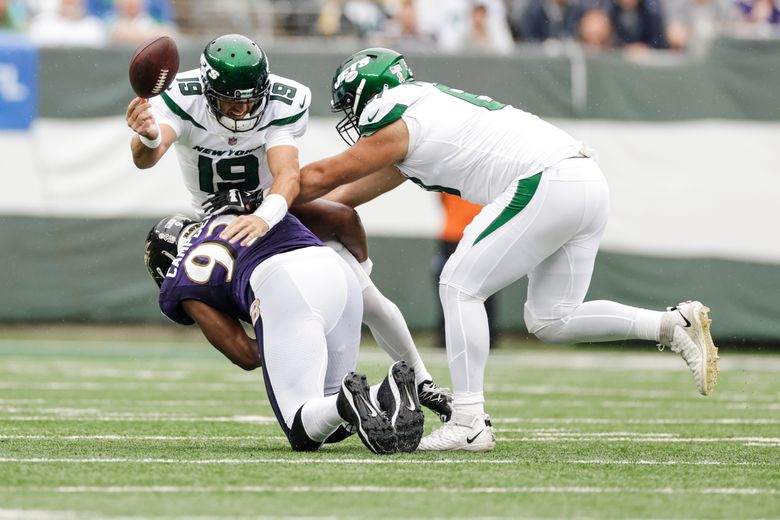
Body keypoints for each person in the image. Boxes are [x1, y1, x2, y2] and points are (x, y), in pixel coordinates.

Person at [297, 47, 720, 452]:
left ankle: (468, 423)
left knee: (460, 286)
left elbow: (321, 174)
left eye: (351, 106)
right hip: (585, 181)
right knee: (551, 319)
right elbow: (349, 191)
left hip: (547, 180)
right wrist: (301, 211)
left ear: (369, 95)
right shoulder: (422, 113)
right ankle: (670, 325)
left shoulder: (397, 112)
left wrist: (269, 201)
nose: (354, 119)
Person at [125, 34, 452, 422]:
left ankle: (421, 379)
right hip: (217, 219)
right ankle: (334, 395)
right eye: (232, 100)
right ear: (209, 91)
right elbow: (148, 155)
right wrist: (147, 134)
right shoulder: (182, 95)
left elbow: (287, 172)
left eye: (251, 99)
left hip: (272, 205)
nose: (243, 108)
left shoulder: (283, 99)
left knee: (361, 281)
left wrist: (267, 213)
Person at [143, 206, 425, 454]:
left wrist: (272, 330)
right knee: (334, 426)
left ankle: (351, 399)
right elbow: (344, 216)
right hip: (338, 271)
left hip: (282, 285)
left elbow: (246, 355)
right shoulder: (241, 207)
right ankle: (386, 392)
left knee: (302, 430)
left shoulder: (180, 279)